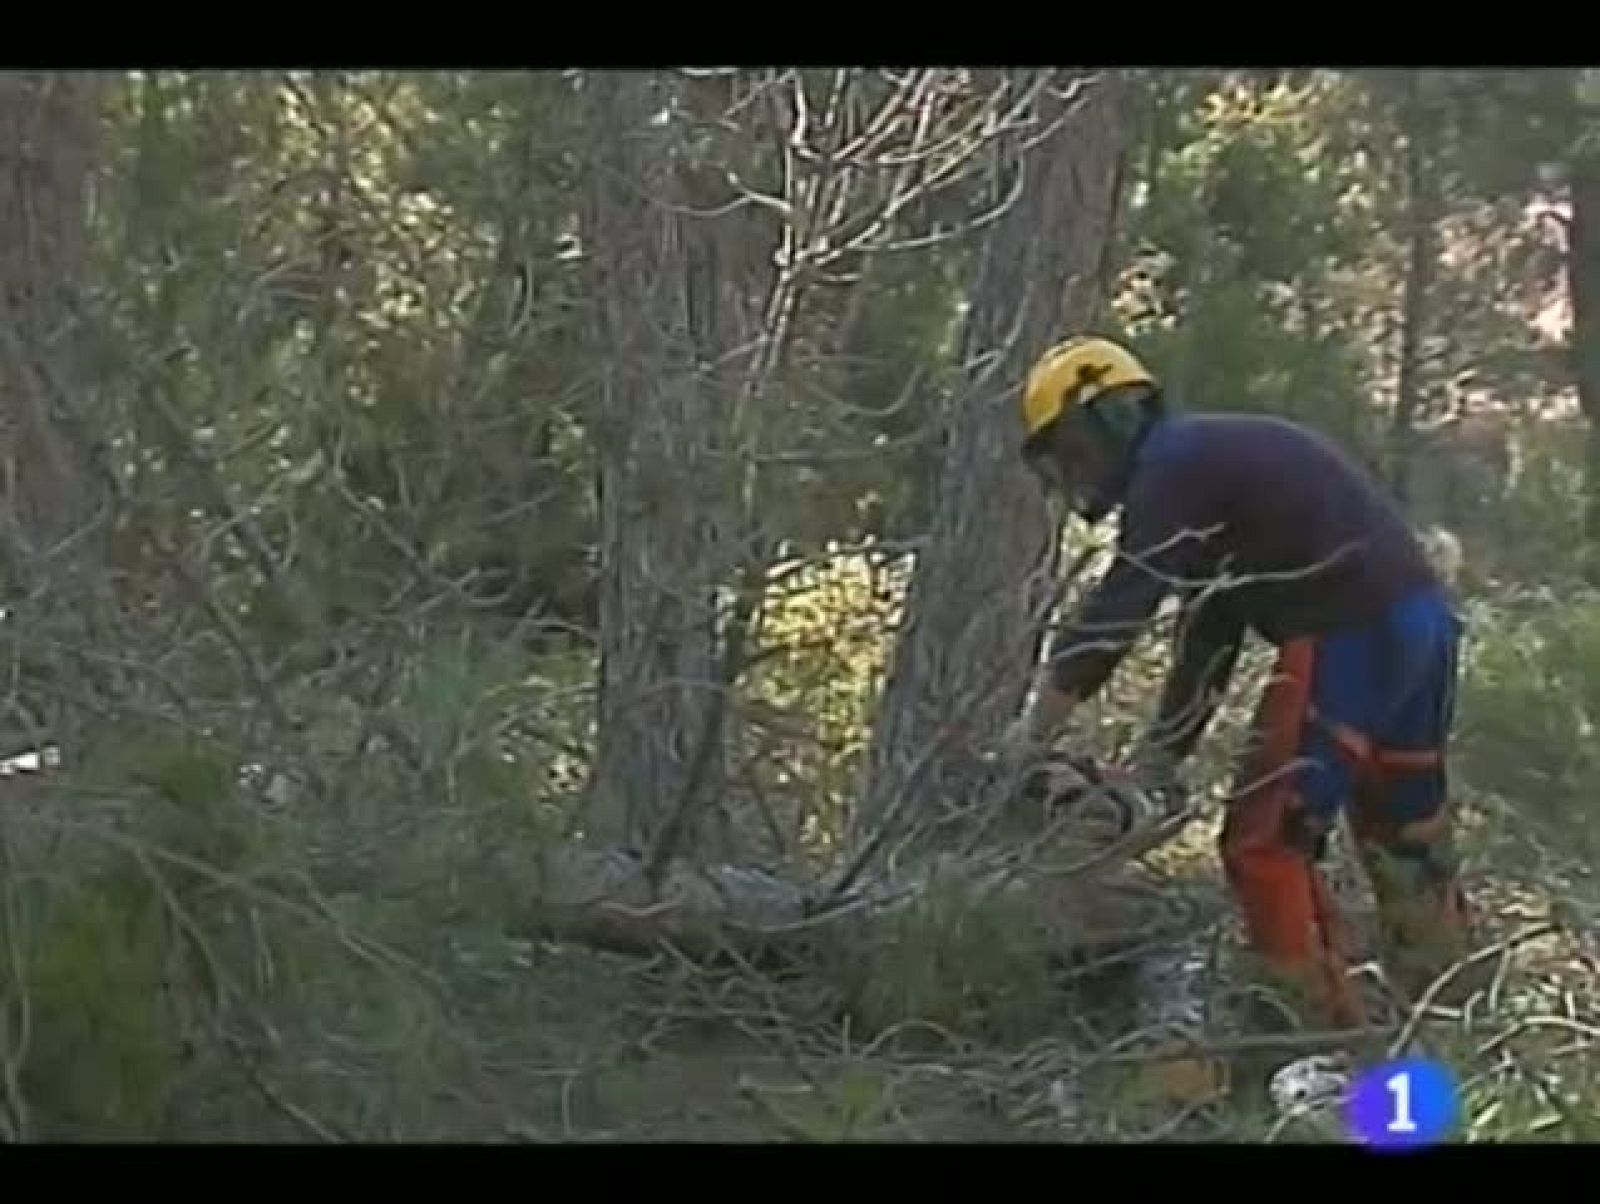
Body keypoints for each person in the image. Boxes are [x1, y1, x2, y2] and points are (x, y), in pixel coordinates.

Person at [1002, 333, 1473, 1028]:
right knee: (1405, 836)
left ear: (1114, 417)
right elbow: (1210, 633)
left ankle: (1311, 1039)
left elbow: (1122, 603)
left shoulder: (1169, 468)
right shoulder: (1206, 466)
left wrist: (1032, 733)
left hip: (1348, 631)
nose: (1076, 472)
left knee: (1264, 846)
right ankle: (1451, 1021)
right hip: (1420, 625)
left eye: (1074, 450)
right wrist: (1159, 761)